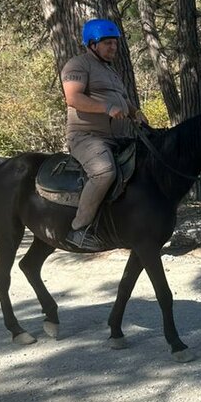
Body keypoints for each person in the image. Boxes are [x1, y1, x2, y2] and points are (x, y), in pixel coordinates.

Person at [60, 18, 149, 250]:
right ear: (92, 44)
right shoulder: (77, 65)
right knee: (104, 172)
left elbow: (124, 101)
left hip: (118, 138)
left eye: (115, 43)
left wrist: (135, 112)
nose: (113, 47)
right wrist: (106, 107)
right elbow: (73, 98)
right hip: (86, 136)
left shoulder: (111, 71)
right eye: (108, 43)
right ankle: (79, 229)